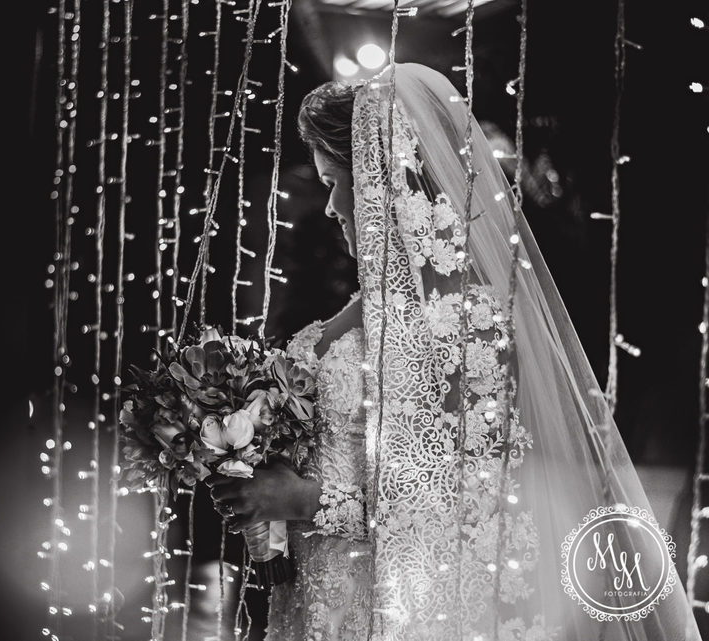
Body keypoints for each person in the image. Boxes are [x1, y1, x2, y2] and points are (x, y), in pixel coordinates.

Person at [207, 62, 701, 640]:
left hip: (404, 606)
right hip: (321, 596)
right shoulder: (364, 307)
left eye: (333, 181)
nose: (330, 206)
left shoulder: (463, 321)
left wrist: (304, 500)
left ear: (379, 179)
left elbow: (478, 489)